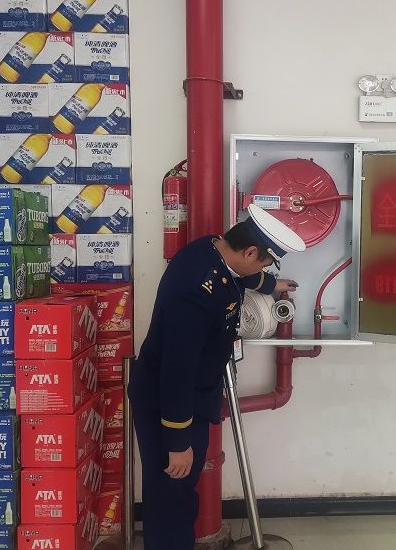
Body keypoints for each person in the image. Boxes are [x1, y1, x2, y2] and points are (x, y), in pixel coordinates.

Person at [128, 205, 305, 550]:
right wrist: (177, 443)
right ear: (250, 251)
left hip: (191, 394)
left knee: (181, 492)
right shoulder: (195, 293)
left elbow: (239, 275)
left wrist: (270, 284)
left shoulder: (213, 248)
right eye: (264, 264)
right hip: (170, 403)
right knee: (171, 497)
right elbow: (177, 370)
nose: (262, 270)